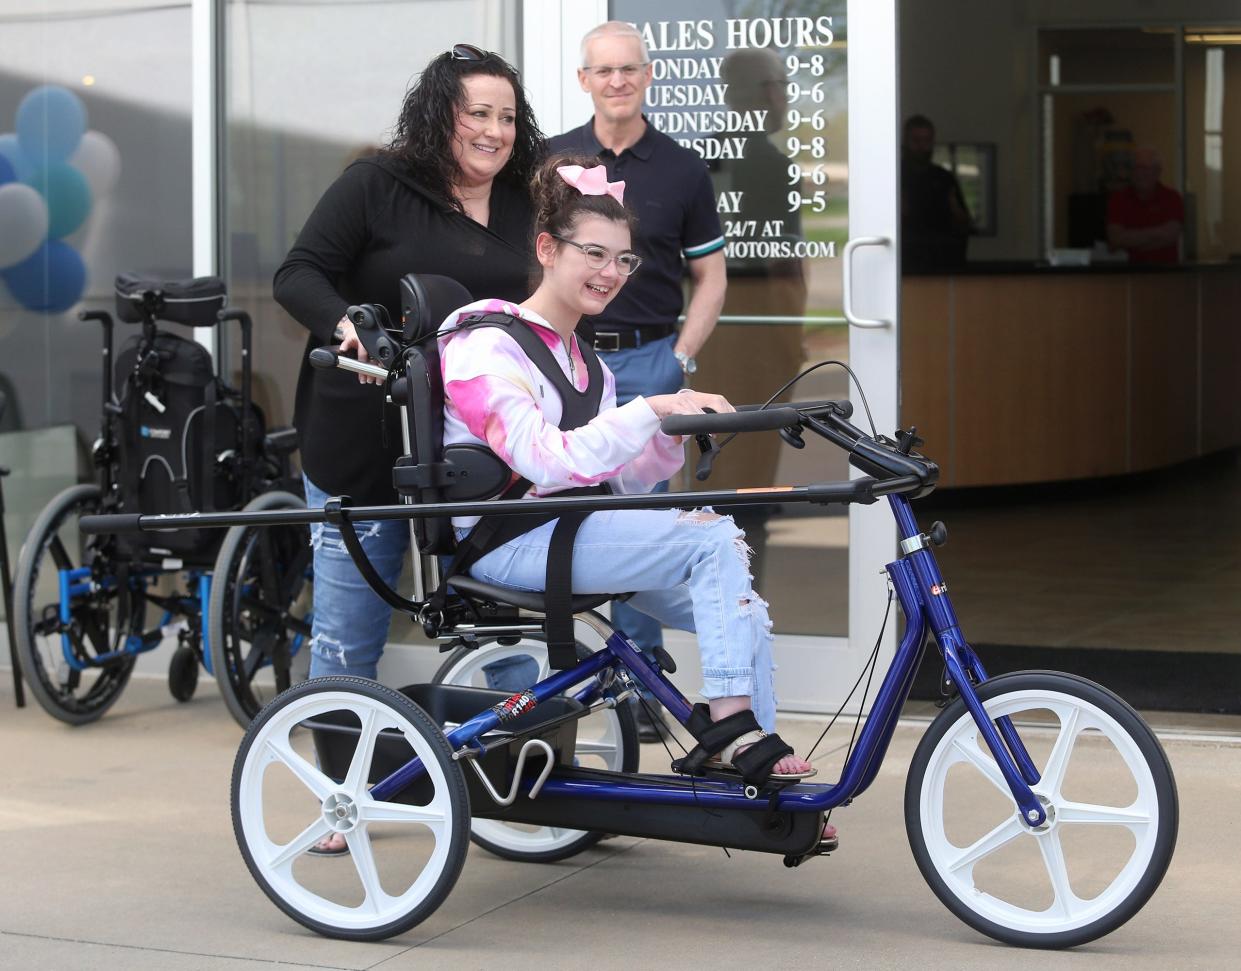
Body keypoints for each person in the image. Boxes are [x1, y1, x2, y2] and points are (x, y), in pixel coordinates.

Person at [438, 155, 824, 795]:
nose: (610, 273)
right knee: (712, 538)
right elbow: (541, 459)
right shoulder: (486, 344)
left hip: (568, 528)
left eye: (623, 260)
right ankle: (731, 731)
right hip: (506, 540)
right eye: (594, 253)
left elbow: (617, 483)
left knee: (744, 606)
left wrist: (674, 435)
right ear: (546, 248)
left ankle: (759, 775)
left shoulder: (588, 363)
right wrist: (650, 409)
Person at [273, 44, 544, 686]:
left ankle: (516, 766)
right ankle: (344, 778)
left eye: (507, 118)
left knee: (498, 627)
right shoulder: (374, 185)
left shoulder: (522, 202)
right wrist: (349, 324)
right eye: (477, 114)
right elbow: (297, 274)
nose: (495, 132)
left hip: (476, 444)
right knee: (348, 630)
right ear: (438, 116)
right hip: (364, 436)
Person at [547, 21, 728, 736]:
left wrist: (680, 358)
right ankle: (565, 669)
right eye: (603, 70)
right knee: (558, 506)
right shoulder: (554, 161)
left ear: (647, 75)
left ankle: (638, 683)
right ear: (584, 79)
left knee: (641, 519)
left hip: (650, 357)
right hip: (569, 362)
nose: (617, 81)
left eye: (629, 69)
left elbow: (710, 277)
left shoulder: (682, 169)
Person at [901, 114, 971, 272]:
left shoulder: (944, 178)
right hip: (904, 265)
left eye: (926, 140)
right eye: (916, 140)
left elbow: (964, 223)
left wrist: (954, 209)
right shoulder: (893, 177)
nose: (921, 146)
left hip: (943, 264)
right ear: (905, 141)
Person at [1107, 146, 1183, 264]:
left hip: (1167, 275)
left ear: (1158, 171)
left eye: (1145, 168)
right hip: (1128, 276)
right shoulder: (1118, 199)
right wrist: (1158, 234)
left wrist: (1132, 242)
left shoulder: (1172, 198)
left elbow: (1171, 236)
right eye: (1136, 168)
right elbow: (1116, 238)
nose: (1140, 173)